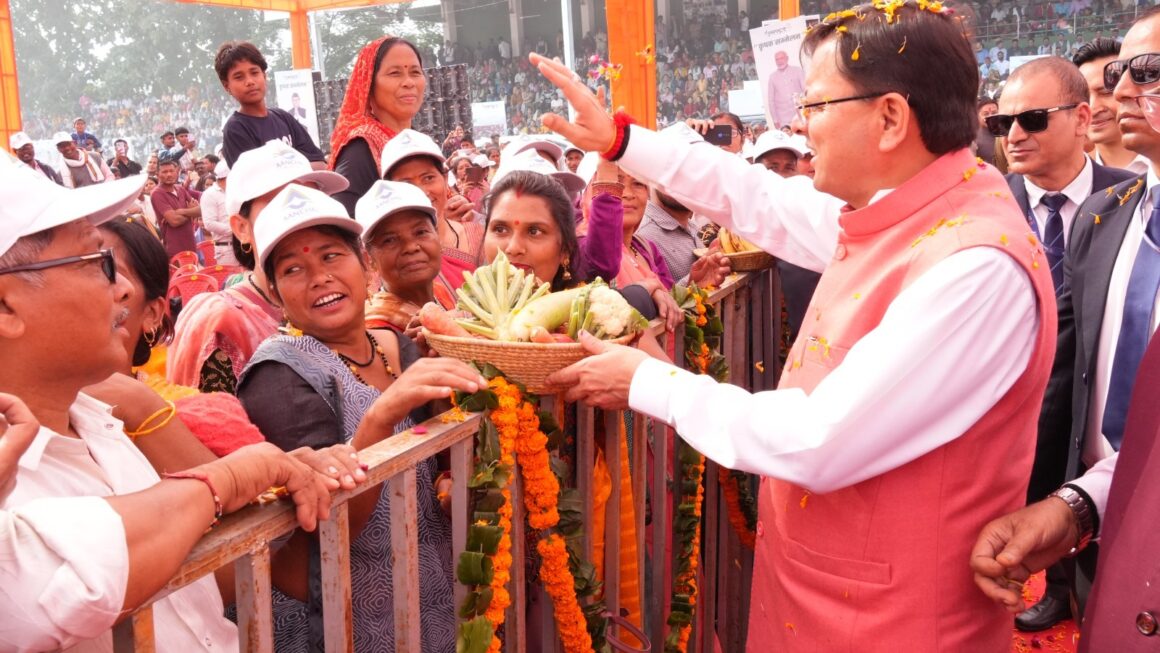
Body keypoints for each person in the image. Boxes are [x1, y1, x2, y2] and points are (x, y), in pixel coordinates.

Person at [529, 0, 1058, 648]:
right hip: (831, 597)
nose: (800, 125)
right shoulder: (908, 212)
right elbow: (758, 199)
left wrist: (648, 381)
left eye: (814, 105)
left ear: (890, 117)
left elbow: (818, 439)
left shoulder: (973, 267)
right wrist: (621, 142)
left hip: (895, 621)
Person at [0, 159, 335, 652]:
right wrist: (229, 478)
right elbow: (57, 586)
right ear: (5, 306)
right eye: (96, 262)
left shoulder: (99, 425)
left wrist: (278, 491)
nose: (122, 288)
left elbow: (190, 590)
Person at [238, 183, 484, 652]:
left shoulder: (397, 344)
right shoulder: (279, 376)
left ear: (366, 265)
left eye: (332, 256)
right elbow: (319, 535)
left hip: (433, 596)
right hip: (349, 621)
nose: (319, 277)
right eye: (293, 269)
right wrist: (378, 420)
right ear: (273, 292)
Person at [982, 9, 1160, 633]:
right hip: (1098, 501)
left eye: (1148, 70)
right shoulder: (1108, 216)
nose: (1122, 91)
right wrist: (1078, 501)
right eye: (1117, 74)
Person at [168, 141, 348, 394]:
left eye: (310, 196)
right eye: (281, 201)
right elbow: (213, 414)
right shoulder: (223, 323)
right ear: (241, 227)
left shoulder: (341, 292)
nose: (302, 211)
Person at [331, 37, 428, 216]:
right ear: (368, 84)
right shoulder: (360, 149)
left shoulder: (420, 142)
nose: (409, 82)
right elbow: (345, 222)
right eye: (395, 73)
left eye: (415, 72)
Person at [378, 129, 482, 287]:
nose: (422, 192)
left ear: (445, 179)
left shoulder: (478, 238)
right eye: (406, 184)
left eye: (428, 178)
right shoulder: (385, 259)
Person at [357, 180, 457, 332]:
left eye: (420, 232)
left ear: (438, 237)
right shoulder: (374, 332)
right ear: (369, 259)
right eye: (389, 240)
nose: (410, 247)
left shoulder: (439, 292)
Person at [217, 41, 327, 169]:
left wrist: (284, 170)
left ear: (264, 76)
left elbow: (320, 164)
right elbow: (256, 177)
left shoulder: (284, 118)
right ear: (227, 86)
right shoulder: (236, 129)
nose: (250, 81)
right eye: (239, 77)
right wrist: (299, 167)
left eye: (254, 73)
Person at [1073, 38, 1151, 174]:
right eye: (1083, 97)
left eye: (1105, 92)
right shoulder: (1069, 176)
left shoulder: (1154, 169)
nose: (1092, 108)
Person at [151, 157, 201, 259]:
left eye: (171, 171)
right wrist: (190, 211)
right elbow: (174, 221)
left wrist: (181, 211)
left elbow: (200, 211)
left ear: (177, 172)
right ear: (157, 174)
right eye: (164, 172)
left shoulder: (180, 189)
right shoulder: (157, 193)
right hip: (174, 250)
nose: (169, 174)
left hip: (191, 244)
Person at [200, 159, 237, 267]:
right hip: (226, 249)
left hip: (242, 245)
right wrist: (235, 230)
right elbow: (209, 223)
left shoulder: (234, 190)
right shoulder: (209, 194)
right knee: (232, 277)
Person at [765, 50, 805, 130]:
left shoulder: (798, 71)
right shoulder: (772, 77)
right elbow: (771, 100)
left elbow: (805, 90)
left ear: (787, 58)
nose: (779, 61)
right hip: (783, 119)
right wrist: (775, 120)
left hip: (800, 114)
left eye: (781, 58)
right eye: (777, 59)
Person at [977, 96, 1000, 166]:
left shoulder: (1007, 133)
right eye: (986, 114)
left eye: (994, 113)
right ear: (977, 116)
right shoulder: (973, 139)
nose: (990, 116)